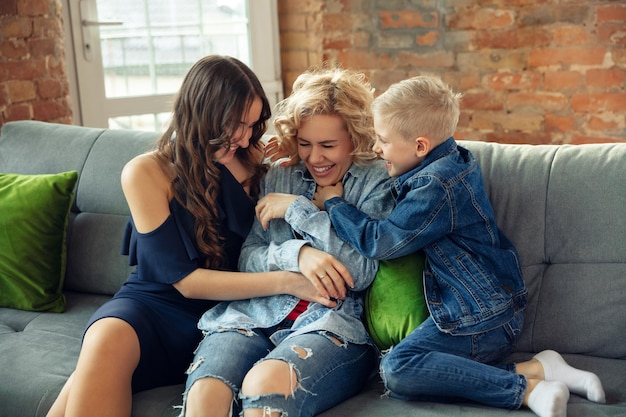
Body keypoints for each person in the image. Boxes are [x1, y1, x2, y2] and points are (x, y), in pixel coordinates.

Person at [46, 55, 332, 417]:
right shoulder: (146, 171)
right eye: (237, 125)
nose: (246, 136)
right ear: (204, 112)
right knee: (105, 340)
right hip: (153, 308)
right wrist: (288, 282)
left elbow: (333, 160)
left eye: (253, 124)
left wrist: (293, 152)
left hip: (222, 318)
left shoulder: (254, 155)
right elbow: (186, 283)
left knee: (75, 394)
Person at [312, 75, 606, 417]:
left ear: (420, 146)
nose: (377, 149)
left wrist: (334, 202)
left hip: (484, 315)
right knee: (402, 366)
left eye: (383, 141)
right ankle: (542, 369)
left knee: (398, 369)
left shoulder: (435, 186)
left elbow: (380, 241)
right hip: (480, 307)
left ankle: (526, 389)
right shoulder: (447, 161)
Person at [182, 66, 395, 417]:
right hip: (254, 314)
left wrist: (299, 210)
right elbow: (248, 257)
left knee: (265, 383)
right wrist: (298, 254)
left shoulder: (375, 182)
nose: (314, 158)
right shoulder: (280, 172)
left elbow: (361, 271)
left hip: (330, 324)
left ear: (355, 138)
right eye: (305, 144)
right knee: (206, 393)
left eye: (328, 145)